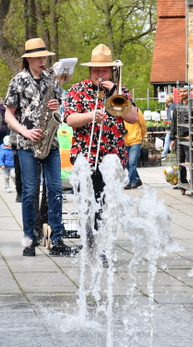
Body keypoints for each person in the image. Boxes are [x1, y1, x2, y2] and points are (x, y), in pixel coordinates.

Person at [4, 38, 78, 257]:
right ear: (28, 59)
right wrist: (25, 131)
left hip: (51, 142)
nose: (43, 60)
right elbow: (8, 114)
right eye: (38, 57)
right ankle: (29, 239)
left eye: (45, 56)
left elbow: (62, 109)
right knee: (29, 192)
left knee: (55, 189)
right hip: (27, 143)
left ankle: (57, 239)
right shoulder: (17, 80)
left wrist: (58, 105)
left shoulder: (52, 79)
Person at [63, 43, 138, 248]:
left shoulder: (120, 90)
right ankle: (88, 238)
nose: (100, 75)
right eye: (96, 70)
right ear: (90, 70)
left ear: (112, 71)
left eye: (104, 70)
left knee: (105, 201)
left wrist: (115, 93)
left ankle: (103, 243)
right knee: (87, 200)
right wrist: (90, 116)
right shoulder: (79, 89)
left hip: (111, 155)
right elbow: (69, 119)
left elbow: (132, 118)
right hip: (85, 154)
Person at [171, 86, 193, 186]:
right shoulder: (177, 106)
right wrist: (172, 138)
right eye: (180, 92)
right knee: (180, 161)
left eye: (184, 91)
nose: (182, 93)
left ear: (189, 92)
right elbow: (174, 122)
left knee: (190, 161)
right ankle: (182, 181)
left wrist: (192, 134)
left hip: (188, 138)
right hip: (178, 137)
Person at [124, 107, 147, 189]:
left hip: (136, 140)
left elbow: (142, 124)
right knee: (127, 163)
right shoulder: (119, 111)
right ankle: (137, 180)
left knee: (132, 162)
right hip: (125, 141)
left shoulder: (136, 110)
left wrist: (143, 136)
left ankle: (129, 182)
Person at [161, 94, 175, 159]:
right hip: (171, 126)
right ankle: (164, 154)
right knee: (168, 140)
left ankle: (164, 155)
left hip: (171, 126)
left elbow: (170, 117)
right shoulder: (171, 106)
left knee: (167, 140)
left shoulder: (171, 107)